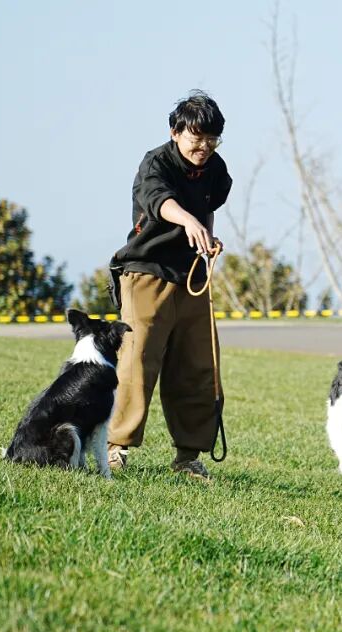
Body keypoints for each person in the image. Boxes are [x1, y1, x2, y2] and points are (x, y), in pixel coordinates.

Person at [105, 91, 233, 481]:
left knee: (198, 366)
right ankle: (114, 447)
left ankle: (188, 456)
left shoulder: (215, 167)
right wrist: (188, 222)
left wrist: (207, 237)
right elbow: (161, 201)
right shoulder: (156, 162)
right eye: (197, 137)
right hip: (147, 271)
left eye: (212, 139)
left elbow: (207, 205)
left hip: (191, 274)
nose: (205, 146)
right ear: (176, 132)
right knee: (137, 360)